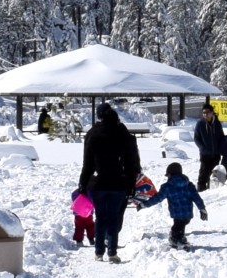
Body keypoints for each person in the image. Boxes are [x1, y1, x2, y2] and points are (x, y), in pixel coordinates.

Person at [78, 102, 141, 263]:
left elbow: (87, 163)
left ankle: (99, 252)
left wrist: (83, 183)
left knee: (100, 217)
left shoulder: (93, 134)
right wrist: (132, 184)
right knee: (114, 217)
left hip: (98, 183)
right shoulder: (123, 133)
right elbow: (131, 162)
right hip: (119, 183)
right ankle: (112, 252)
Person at [136, 162, 207, 250]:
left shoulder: (167, 186)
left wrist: (144, 204)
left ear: (170, 174)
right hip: (188, 214)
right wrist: (202, 209)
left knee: (177, 228)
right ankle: (179, 238)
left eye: (168, 175)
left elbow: (157, 198)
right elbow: (197, 198)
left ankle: (178, 241)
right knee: (181, 226)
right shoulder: (189, 185)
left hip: (177, 214)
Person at [193, 103, 225, 192]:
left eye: (207, 112)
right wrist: (202, 148)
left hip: (216, 154)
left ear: (212, 113)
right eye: (204, 113)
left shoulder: (217, 123)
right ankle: (201, 190)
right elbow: (196, 138)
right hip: (205, 154)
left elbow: (221, 137)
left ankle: (211, 191)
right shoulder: (200, 124)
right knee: (203, 173)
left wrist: (221, 148)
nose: (205, 114)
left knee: (214, 173)